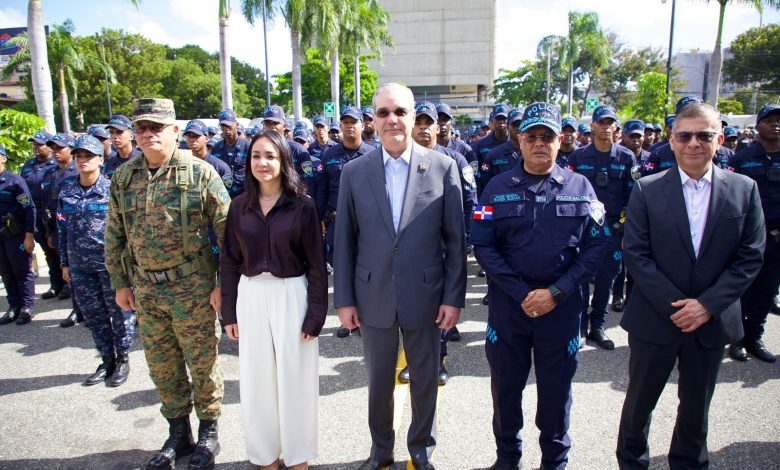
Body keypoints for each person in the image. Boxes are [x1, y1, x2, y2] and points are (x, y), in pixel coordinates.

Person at [615, 102, 765, 470]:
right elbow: (636, 254)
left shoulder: (744, 189)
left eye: (704, 135)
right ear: (672, 140)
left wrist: (706, 306)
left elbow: (750, 257)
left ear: (720, 139)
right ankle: (632, 463)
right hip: (655, 318)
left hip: (711, 321)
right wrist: (677, 306)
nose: (694, 143)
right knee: (639, 405)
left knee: (697, 408)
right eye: (685, 136)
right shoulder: (647, 189)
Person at [334, 83, 466, 470]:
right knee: (378, 382)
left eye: (400, 112)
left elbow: (456, 240)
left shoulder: (442, 167)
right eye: (383, 112)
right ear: (373, 121)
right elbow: (344, 241)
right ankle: (381, 449)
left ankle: (421, 449)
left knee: (425, 379)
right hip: (372, 292)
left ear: (412, 117)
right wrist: (344, 299)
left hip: (426, 293)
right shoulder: (354, 172)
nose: (392, 119)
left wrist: (453, 297)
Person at [473, 102, 609, 470]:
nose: (538, 143)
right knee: (505, 391)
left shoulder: (581, 187)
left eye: (546, 137)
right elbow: (483, 245)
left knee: (556, 394)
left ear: (559, 140)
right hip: (510, 310)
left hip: (561, 310)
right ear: (519, 140)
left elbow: (597, 245)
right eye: (531, 136)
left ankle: (554, 461)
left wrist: (557, 292)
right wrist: (521, 293)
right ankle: (508, 458)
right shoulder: (496, 188)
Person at [104, 98, 230, 470]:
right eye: (141, 128)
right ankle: (179, 433)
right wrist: (120, 282)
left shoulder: (200, 173)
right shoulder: (124, 177)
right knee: (162, 365)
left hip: (193, 287)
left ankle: (208, 431)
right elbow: (115, 234)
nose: (148, 134)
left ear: (175, 131)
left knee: (202, 363)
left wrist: (223, 284)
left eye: (156, 127)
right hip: (146, 290)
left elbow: (229, 235)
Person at [220, 130, 326, 470]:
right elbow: (229, 261)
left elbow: (316, 265)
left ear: (283, 161)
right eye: (256, 156)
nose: (262, 163)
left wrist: (315, 315)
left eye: (270, 156)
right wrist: (228, 312)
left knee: (296, 379)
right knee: (257, 381)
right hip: (251, 296)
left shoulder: (303, 206)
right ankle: (265, 456)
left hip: (291, 295)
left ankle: (297, 457)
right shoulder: (239, 207)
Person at [397, 100, 475, 385]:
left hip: (443, 249)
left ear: (438, 126)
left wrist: (465, 240)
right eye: (418, 122)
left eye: (428, 123)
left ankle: (439, 358)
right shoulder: (400, 161)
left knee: (440, 307)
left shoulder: (454, 160)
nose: (423, 128)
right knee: (410, 308)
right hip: (412, 251)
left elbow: (470, 201)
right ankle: (412, 359)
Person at [58, 135, 136, 386]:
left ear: (101, 160)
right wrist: (64, 263)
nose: (83, 161)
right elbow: (62, 230)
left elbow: (126, 229)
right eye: (78, 156)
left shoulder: (112, 189)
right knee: (94, 316)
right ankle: (107, 359)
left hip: (109, 266)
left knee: (120, 314)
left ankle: (123, 358)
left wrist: (128, 265)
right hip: (80, 266)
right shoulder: (67, 191)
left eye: (89, 156)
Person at [569, 105, 634, 350]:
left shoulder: (626, 157)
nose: (606, 128)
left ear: (616, 127)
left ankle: (598, 325)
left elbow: (633, 198)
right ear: (593, 126)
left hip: (614, 229)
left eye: (610, 123)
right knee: (581, 279)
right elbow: (570, 193)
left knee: (606, 280)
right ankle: (580, 326)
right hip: (585, 230)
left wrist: (625, 230)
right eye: (601, 123)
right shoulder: (577, 157)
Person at [727, 103, 780, 363]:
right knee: (742, 290)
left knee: (767, 290)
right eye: (768, 120)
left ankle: (755, 337)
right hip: (747, 236)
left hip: (777, 239)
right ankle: (737, 340)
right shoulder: (741, 159)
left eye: (778, 120)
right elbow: (730, 198)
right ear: (757, 126)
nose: (775, 124)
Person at [321, 106, 375, 338]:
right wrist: (320, 218)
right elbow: (322, 190)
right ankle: (347, 319)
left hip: (368, 224)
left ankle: (367, 316)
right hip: (337, 223)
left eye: (354, 122)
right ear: (340, 126)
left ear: (362, 125)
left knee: (366, 269)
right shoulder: (329, 156)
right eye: (345, 122)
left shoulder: (374, 154)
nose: (350, 126)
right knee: (342, 268)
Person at [41, 133, 84, 327]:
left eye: (60, 148)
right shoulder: (50, 174)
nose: (55, 152)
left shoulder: (79, 171)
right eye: (53, 148)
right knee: (69, 272)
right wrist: (50, 232)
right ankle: (77, 309)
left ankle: (89, 309)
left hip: (82, 229)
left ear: (71, 150)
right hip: (60, 228)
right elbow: (48, 206)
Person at [20, 130, 59, 299]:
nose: (36, 147)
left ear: (49, 147)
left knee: (58, 249)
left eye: (40, 144)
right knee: (47, 250)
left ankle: (66, 285)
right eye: (34, 144)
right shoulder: (29, 164)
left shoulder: (55, 164)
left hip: (51, 211)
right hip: (34, 212)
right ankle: (56, 283)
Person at [0, 145, 36, 326]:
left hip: (15, 234)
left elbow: (29, 209)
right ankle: (14, 306)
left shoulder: (15, 181)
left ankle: (26, 308)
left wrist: (29, 235)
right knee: (5, 271)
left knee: (22, 271)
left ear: (3, 158)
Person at [212, 109, 249, 197]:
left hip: (244, 195)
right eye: (223, 126)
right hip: (223, 195)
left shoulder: (248, 146)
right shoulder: (216, 148)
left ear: (237, 124)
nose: (226, 129)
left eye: (229, 125)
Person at [103, 115, 141, 180]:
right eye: (111, 132)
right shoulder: (109, 163)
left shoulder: (142, 159)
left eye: (119, 132)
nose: (115, 136)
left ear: (131, 136)